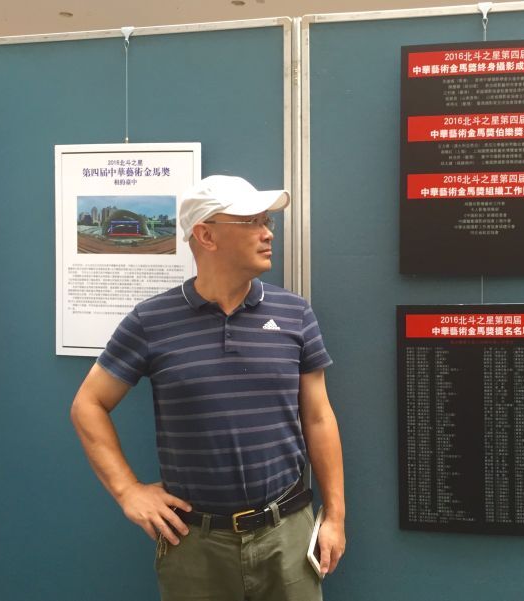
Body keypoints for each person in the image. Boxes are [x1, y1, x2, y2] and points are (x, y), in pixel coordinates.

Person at [71, 174, 345, 601]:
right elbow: (88, 404)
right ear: (206, 235)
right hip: (194, 544)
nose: (268, 233)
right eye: (252, 221)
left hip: (288, 535)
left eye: (267, 221)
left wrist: (335, 518)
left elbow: (318, 416)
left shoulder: (295, 314)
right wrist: (127, 491)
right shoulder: (150, 321)